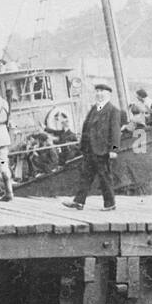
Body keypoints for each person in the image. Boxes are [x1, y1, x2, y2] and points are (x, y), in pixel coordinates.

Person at [65, 81, 122, 210]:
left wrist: (114, 149)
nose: (99, 94)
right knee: (85, 176)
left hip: (102, 150)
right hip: (90, 149)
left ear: (108, 95)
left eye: (102, 92)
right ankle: (79, 202)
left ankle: (110, 204)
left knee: (104, 177)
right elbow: (87, 127)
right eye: (97, 91)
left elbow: (115, 132)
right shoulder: (93, 109)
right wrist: (83, 146)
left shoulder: (113, 111)